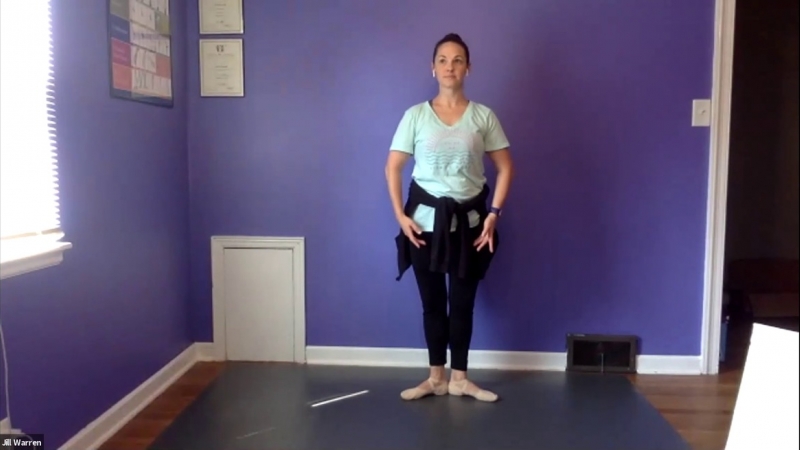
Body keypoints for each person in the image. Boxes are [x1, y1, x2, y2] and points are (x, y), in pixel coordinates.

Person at [384, 33, 514, 402]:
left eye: (457, 60)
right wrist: (400, 216)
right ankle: (436, 378)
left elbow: (506, 167)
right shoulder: (415, 116)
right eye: (442, 60)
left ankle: (459, 379)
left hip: (470, 227)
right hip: (422, 226)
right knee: (432, 305)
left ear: (468, 68)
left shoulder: (483, 116)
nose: (450, 66)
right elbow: (393, 167)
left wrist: (494, 215)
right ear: (433, 67)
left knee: (462, 304)